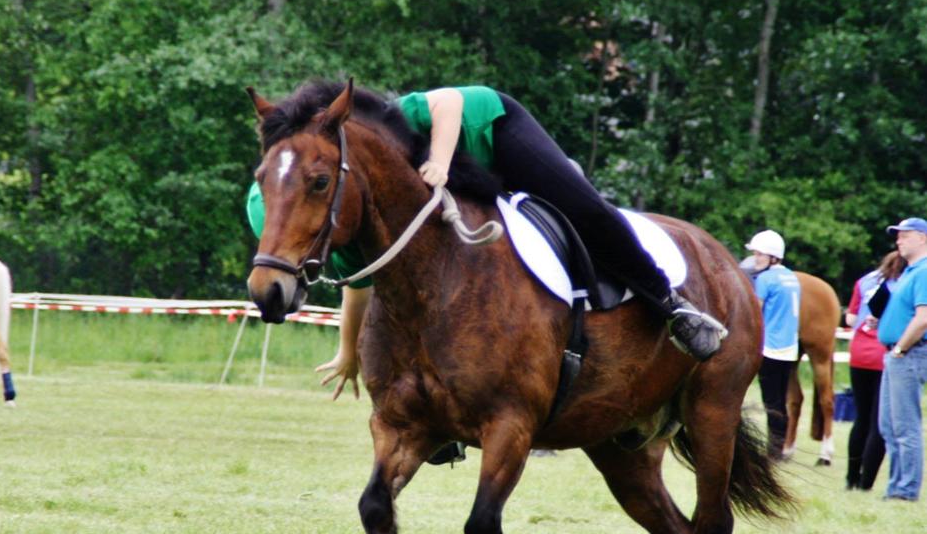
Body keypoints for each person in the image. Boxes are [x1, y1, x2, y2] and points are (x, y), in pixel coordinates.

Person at [249, 84, 729, 400]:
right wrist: (349, 350)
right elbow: (364, 278)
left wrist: (438, 159)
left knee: (585, 211)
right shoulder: (325, 204)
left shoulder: (394, 123)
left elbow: (450, 104)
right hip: (468, 178)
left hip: (494, 130)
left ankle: (673, 306)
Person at [876, 217, 927, 502]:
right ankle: (897, 486)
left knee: (905, 426)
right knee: (889, 425)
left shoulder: (924, 271)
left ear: (922, 238)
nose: (898, 240)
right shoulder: (910, 271)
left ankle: (905, 490)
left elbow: (923, 318)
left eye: (905, 235)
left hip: (908, 353)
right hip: (897, 353)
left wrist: (900, 349)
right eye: (897, 236)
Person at [844, 252, 905, 491]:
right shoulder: (904, 283)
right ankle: (866, 483)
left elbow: (850, 318)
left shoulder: (865, 281)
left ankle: (850, 478)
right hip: (883, 352)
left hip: (859, 352)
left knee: (860, 417)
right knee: (877, 423)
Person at [746, 229, 801, 460]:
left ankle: (774, 451)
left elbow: (754, 312)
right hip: (789, 348)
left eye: (760, 255)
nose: (755, 259)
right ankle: (780, 447)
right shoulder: (791, 277)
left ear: (773, 257)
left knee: (772, 402)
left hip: (770, 348)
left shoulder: (766, 279)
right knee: (780, 400)